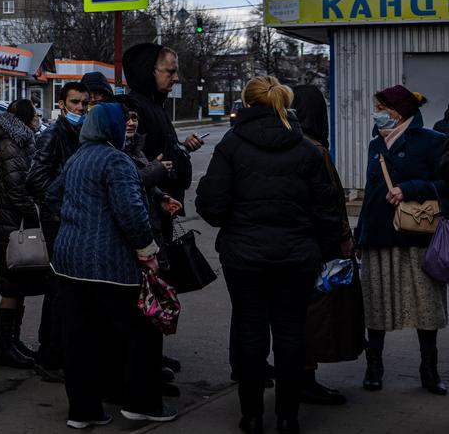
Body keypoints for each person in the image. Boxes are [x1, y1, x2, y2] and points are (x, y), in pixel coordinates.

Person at [196, 77, 342, 434]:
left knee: (251, 333)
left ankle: (252, 416)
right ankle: (289, 418)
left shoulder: (231, 145)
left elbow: (211, 204)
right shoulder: (306, 147)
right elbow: (328, 209)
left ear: (246, 102)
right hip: (296, 256)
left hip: (244, 256)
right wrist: (322, 250)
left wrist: (234, 221)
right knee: (292, 334)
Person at [49, 102, 175, 427]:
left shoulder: (77, 158)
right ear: (113, 128)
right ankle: (141, 403)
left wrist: (75, 222)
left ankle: (83, 411)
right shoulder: (117, 160)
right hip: (109, 264)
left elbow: (51, 196)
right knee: (142, 331)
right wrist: (148, 251)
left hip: (68, 262)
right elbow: (131, 212)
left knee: (80, 338)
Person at [356, 85, 448, 395]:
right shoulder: (375, 144)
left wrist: (410, 188)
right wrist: (360, 233)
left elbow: (445, 183)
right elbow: (370, 192)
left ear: (397, 112)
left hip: (417, 236)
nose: (377, 113)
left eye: (380, 107)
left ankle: (429, 369)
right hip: (378, 234)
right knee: (377, 304)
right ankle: (374, 367)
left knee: (425, 306)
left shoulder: (433, 142)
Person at [123, 43, 201, 376]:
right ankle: (142, 366)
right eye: (169, 71)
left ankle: (152, 355)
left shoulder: (154, 106)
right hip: (146, 221)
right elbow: (135, 167)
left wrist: (180, 152)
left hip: (161, 216)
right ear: (147, 72)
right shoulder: (134, 108)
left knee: (157, 288)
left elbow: (164, 155)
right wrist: (163, 168)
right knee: (146, 291)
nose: (175, 77)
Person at [290, 84, 355, 407]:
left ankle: (299, 376)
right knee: (314, 315)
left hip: (287, 245)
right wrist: (344, 239)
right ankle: (306, 379)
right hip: (315, 246)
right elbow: (331, 203)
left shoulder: (289, 143)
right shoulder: (315, 148)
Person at [27, 80, 88, 381]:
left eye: (84, 104)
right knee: (57, 288)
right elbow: (34, 179)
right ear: (63, 104)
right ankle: (49, 354)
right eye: (75, 103)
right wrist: (59, 202)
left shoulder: (83, 134)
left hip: (72, 220)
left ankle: (59, 351)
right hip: (57, 220)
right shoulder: (54, 135)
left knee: (67, 288)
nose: (80, 108)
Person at [0, 99, 44, 369]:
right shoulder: (11, 144)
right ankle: (5, 347)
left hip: (15, 221)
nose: (38, 117)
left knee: (18, 285)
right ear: (24, 117)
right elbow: (17, 188)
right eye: (34, 113)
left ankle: (13, 341)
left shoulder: (21, 141)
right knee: (11, 286)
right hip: (12, 225)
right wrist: (36, 213)